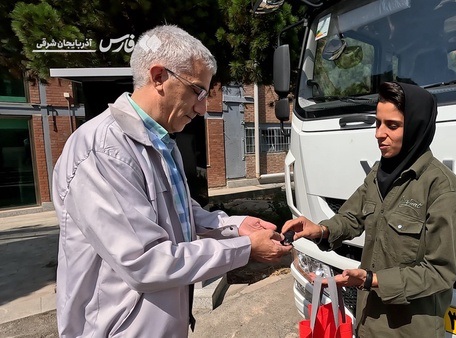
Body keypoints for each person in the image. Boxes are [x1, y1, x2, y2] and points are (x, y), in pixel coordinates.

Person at [52, 25, 292, 338]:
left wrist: (237, 225)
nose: (203, 108)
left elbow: (180, 213)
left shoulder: (162, 142)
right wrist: (244, 248)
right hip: (119, 329)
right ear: (158, 77)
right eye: (198, 91)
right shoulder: (104, 151)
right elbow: (145, 261)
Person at [281, 81, 456, 337]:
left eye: (392, 125)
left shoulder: (443, 190)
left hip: (407, 329)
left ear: (416, 127)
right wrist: (320, 230)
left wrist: (372, 280)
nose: (379, 133)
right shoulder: (379, 174)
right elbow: (351, 217)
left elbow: (439, 273)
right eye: (378, 123)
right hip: (368, 319)